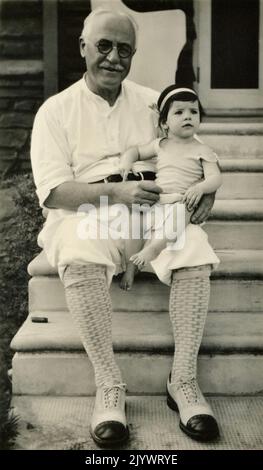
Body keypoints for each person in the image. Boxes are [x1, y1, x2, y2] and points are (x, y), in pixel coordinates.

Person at [31, 8, 220, 447]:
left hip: (154, 209)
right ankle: (109, 384)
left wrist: (207, 190)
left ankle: (184, 382)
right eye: (104, 46)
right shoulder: (55, 111)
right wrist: (115, 195)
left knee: (191, 245)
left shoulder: (155, 102)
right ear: (82, 48)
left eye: (125, 49)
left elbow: (190, 148)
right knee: (78, 249)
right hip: (89, 213)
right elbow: (55, 192)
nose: (114, 57)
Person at [119, 85, 222, 290]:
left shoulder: (203, 150)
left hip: (182, 200)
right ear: (164, 122)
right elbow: (136, 151)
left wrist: (201, 188)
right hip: (159, 199)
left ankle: (155, 248)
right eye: (179, 112)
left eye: (194, 112)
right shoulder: (160, 144)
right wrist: (126, 162)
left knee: (181, 214)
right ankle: (131, 267)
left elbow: (216, 178)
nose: (188, 117)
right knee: (135, 218)